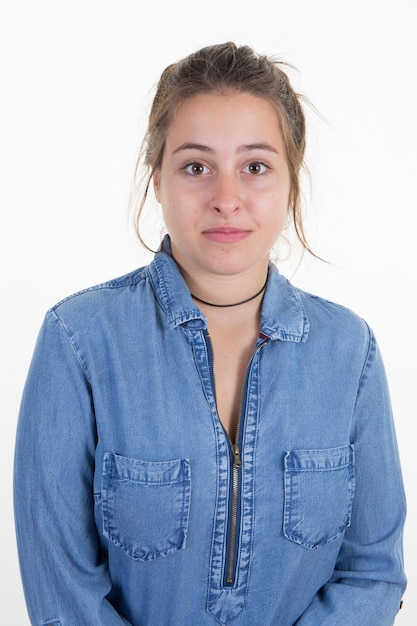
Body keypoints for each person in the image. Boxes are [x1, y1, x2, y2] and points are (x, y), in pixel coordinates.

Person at [14, 42, 406, 625]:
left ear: (290, 182)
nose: (227, 199)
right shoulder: (79, 341)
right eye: (197, 166)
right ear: (158, 181)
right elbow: (60, 591)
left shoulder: (350, 352)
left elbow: (372, 572)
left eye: (255, 166)